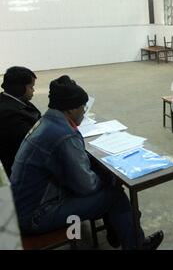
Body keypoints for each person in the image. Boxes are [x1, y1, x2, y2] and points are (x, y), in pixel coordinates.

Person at [10, 75, 163, 250]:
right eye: (83, 106)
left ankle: (120, 230)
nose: (84, 111)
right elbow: (86, 186)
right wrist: (107, 176)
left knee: (107, 185)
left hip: (24, 206)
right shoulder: (63, 134)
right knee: (113, 193)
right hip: (35, 216)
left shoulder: (48, 121)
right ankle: (135, 244)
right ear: (70, 110)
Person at [0, 66, 41, 178]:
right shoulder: (8, 113)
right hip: (20, 170)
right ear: (19, 88)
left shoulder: (17, 101)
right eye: (31, 87)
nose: (33, 90)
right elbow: (33, 141)